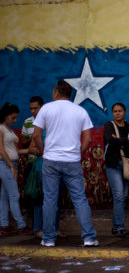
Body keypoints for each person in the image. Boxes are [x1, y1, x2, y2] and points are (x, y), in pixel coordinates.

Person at [32, 81, 98, 248]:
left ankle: (48, 239)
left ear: (56, 92)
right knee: (80, 199)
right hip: (72, 161)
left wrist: (43, 152)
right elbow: (88, 138)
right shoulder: (80, 111)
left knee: (50, 200)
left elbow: (36, 135)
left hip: (51, 160)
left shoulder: (46, 109)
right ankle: (89, 237)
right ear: (70, 94)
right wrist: (79, 154)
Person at [103, 102, 129, 237]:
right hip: (113, 164)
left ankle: (116, 226)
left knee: (123, 195)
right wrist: (125, 140)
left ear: (125, 112)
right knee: (119, 195)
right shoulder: (109, 126)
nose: (117, 113)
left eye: (120, 111)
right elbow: (110, 140)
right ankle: (119, 227)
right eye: (115, 111)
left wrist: (119, 140)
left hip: (127, 164)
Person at [0, 103, 30, 235]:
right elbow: (1, 149)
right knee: (14, 195)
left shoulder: (9, 130)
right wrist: (11, 166)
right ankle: (21, 225)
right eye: (13, 117)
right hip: (4, 164)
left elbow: (15, 150)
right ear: (6, 116)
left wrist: (29, 150)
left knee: (5, 196)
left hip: (11, 163)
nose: (15, 120)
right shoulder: (0, 128)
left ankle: (4, 225)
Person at [20, 96, 44, 236]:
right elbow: (23, 143)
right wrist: (34, 137)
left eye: (36, 108)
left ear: (42, 106)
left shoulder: (48, 120)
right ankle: (37, 227)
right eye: (31, 108)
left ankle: (45, 227)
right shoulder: (28, 122)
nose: (33, 111)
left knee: (47, 196)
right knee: (34, 195)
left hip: (44, 162)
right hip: (32, 162)